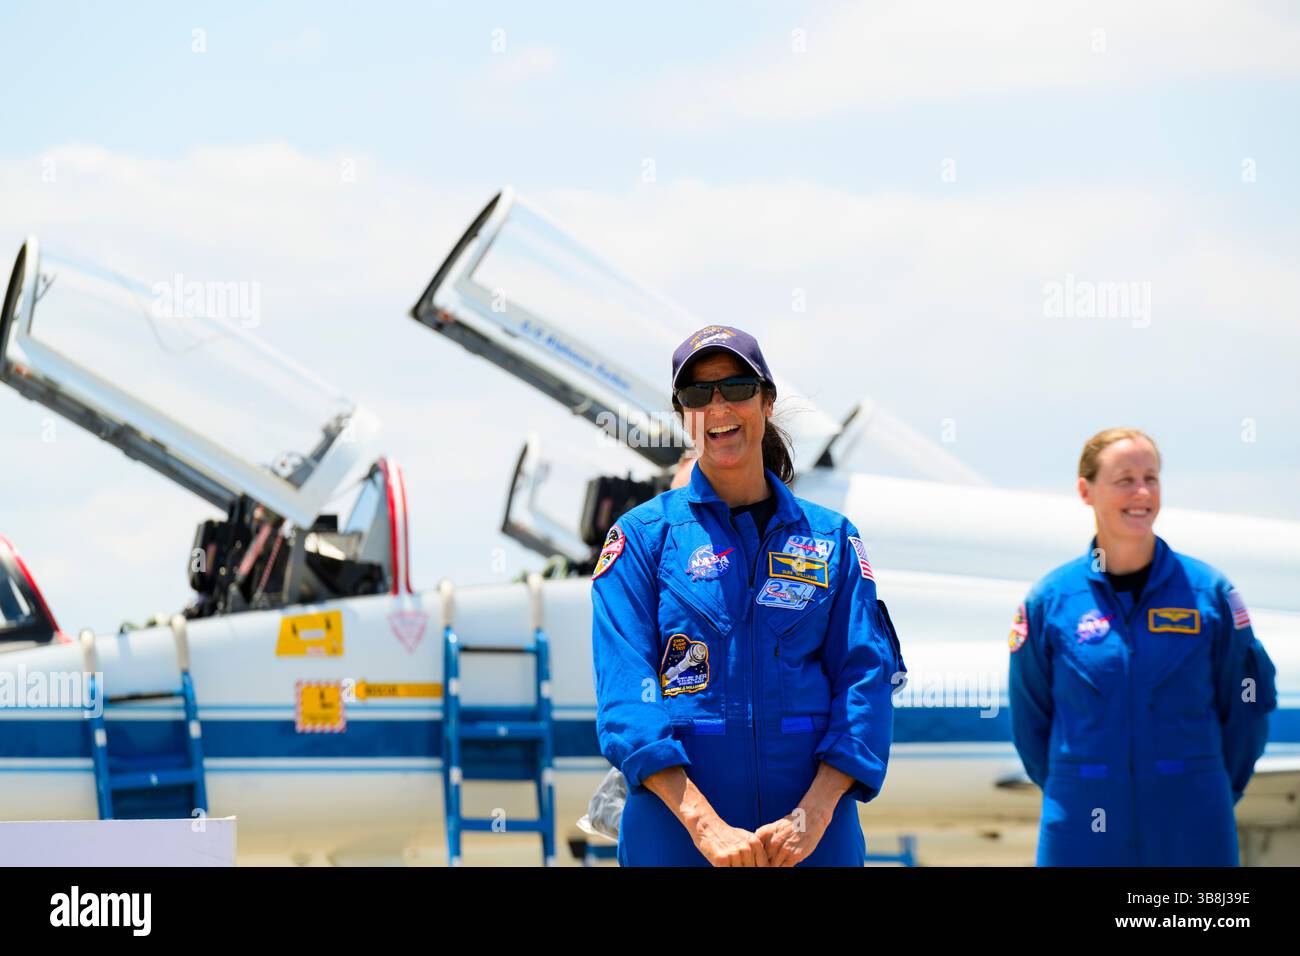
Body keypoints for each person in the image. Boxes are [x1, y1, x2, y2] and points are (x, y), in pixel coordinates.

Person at [590, 324, 905, 866]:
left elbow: (865, 680)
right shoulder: (641, 538)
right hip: (678, 838)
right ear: (682, 414)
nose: (717, 406)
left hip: (811, 836)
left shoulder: (831, 539)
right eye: (696, 395)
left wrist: (814, 815)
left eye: (735, 387)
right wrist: (706, 828)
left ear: (766, 399)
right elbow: (626, 697)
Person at [1009, 427, 1277, 866]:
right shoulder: (1050, 602)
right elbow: (1030, 720)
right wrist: (1084, 784)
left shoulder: (1210, 593)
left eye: (1151, 478)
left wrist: (1205, 789)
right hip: (1083, 826)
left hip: (1193, 824)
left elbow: (1246, 712)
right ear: (1085, 491)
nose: (1142, 492)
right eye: (1125, 479)